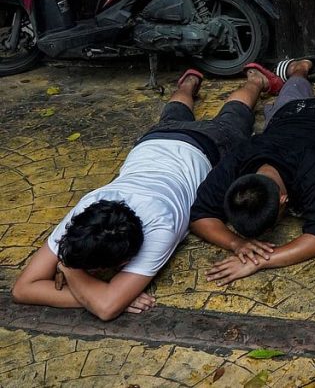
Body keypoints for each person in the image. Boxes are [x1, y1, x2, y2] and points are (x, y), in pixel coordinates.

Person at [10, 64, 281, 320]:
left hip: (208, 145)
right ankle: (191, 82)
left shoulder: (160, 227)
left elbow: (105, 307)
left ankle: (252, 81)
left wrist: (69, 270)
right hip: (154, 142)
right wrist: (98, 293)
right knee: (175, 115)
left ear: (126, 259)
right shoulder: (89, 211)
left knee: (234, 117)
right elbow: (22, 290)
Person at [190, 45, 315, 285]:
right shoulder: (238, 159)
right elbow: (199, 215)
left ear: (284, 200)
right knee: (292, 91)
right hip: (288, 113)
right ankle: (300, 68)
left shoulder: (312, 168)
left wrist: (260, 260)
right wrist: (237, 243)